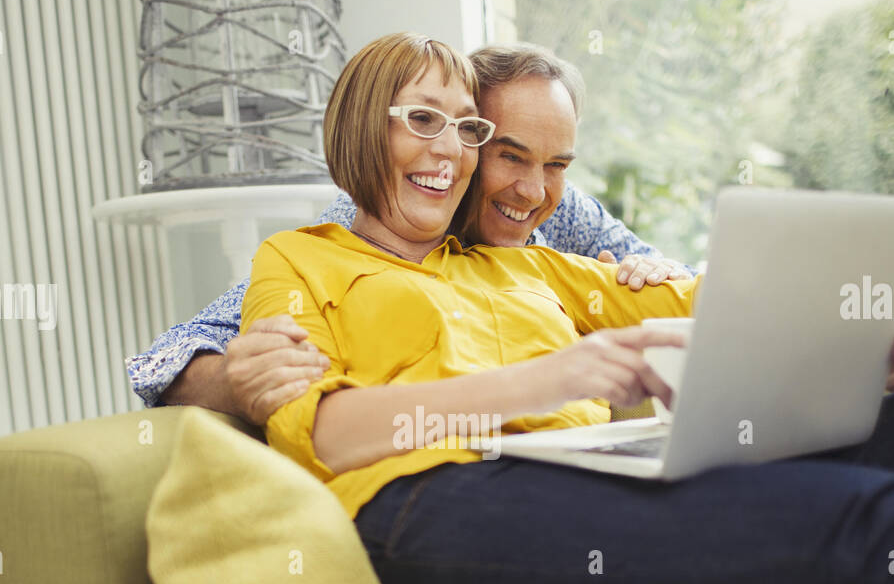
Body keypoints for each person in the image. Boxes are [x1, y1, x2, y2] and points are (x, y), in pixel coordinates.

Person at [240, 31, 894, 584]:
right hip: (427, 498)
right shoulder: (296, 259)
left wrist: (862, 322)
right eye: (422, 119)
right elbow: (326, 435)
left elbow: (719, 301)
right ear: (361, 126)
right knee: (862, 531)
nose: (450, 151)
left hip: (579, 467)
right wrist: (559, 376)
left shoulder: (523, 264)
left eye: (468, 129)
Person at [126, 43, 692, 424]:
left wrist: (653, 271)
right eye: (508, 154)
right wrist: (238, 379)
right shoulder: (355, 237)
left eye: (556, 164)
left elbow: (669, 284)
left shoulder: (557, 210)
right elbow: (167, 358)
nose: (532, 190)